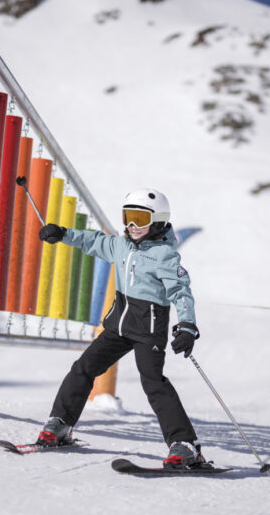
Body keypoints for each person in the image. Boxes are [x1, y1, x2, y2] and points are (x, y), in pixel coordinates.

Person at [33, 189, 207, 469]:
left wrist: (187, 325)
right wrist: (62, 233)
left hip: (148, 329)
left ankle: (185, 445)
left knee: (153, 382)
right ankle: (60, 424)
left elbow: (181, 291)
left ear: (158, 220)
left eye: (141, 218)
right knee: (83, 368)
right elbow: (92, 241)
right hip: (119, 326)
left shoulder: (165, 255)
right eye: (128, 217)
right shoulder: (121, 245)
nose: (133, 225)